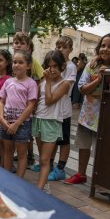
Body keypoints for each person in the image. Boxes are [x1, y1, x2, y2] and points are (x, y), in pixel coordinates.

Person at [64, 33, 110, 184]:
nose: (105, 49)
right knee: (83, 144)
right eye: (103, 45)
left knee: (102, 149)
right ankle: (81, 174)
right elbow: (82, 88)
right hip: (88, 114)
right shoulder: (92, 65)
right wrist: (99, 79)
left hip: (107, 116)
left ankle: (101, 178)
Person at [39, 36, 76, 181]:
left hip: (63, 111)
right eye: (58, 46)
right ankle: (49, 164)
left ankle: (60, 168)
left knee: (64, 140)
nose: (60, 49)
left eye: (64, 47)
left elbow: (65, 87)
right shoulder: (52, 65)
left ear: (71, 50)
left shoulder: (70, 67)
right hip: (50, 112)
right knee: (52, 139)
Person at [32, 50, 70, 190]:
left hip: (52, 122)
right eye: (49, 66)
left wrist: (47, 81)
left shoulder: (64, 84)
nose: (52, 69)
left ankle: (39, 189)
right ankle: (44, 185)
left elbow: (49, 100)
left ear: (62, 66)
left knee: (44, 159)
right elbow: (37, 99)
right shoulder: (43, 80)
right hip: (39, 120)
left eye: (55, 66)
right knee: (41, 157)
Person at [0, 50, 37, 176]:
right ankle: (8, 178)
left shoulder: (31, 83)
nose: (17, 65)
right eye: (15, 62)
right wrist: (1, 118)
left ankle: (19, 181)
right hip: (6, 123)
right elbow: (1, 101)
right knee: (8, 151)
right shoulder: (8, 82)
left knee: (21, 153)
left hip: (22, 125)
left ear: (28, 65)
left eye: (21, 62)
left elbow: (31, 105)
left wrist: (17, 123)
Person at [12, 32, 44, 168]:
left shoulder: (33, 62)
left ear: (29, 47)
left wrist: (34, 91)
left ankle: (28, 156)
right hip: (11, 102)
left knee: (25, 132)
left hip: (26, 104)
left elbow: (43, 77)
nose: (18, 45)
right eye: (16, 42)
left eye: (22, 43)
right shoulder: (11, 59)